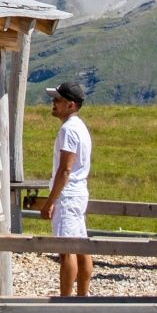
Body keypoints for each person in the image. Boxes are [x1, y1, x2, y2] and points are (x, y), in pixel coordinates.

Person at [42, 80, 93, 297]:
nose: (53, 103)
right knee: (81, 247)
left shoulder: (69, 130)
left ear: (70, 105)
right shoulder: (79, 126)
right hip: (78, 192)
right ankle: (82, 296)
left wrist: (50, 201)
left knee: (66, 250)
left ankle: (66, 301)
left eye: (58, 100)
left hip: (68, 195)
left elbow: (65, 169)